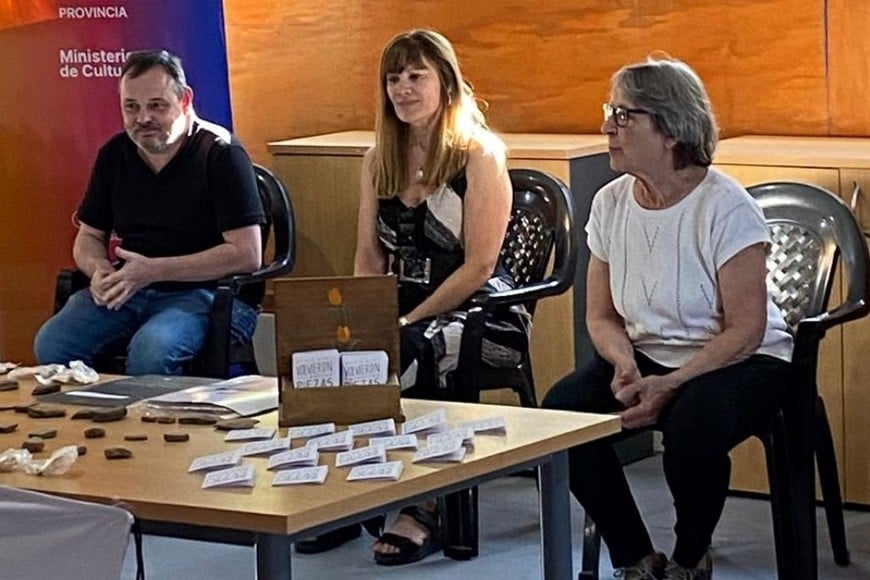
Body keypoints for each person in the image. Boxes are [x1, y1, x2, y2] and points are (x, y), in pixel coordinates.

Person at [541, 56, 793, 580]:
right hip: (650, 356)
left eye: (623, 115)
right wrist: (624, 365)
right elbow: (602, 316)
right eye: (609, 111)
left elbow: (745, 330)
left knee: (691, 425)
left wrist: (672, 383)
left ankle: (688, 557)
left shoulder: (726, 206)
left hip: (744, 360)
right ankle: (636, 559)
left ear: (671, 129)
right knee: (563, 414)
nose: (607, 126)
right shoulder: (610, 203)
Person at [294, 28, 530, 565]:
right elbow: (367, 257)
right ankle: (349, 496)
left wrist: (409, 318)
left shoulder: (478, 154)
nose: (402, 88)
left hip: (480, 309)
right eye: (393, 78)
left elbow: (480, 264)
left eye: (415, 75)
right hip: (403, 300)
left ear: (446, 82)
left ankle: (425, 508)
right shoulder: (380, 158)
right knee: (326, 352)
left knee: (414, 348)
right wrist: (358, 318)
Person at [33, 49, 264, 376]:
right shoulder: (114, 155)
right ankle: (100, 424)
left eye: (157, 106)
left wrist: (154, 270)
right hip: (131, 289)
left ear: (184, 100)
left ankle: (162, 427)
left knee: (151, 352)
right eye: (131, 107)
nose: (143, 119)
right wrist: (98, 269)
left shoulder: (221, 154)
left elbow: (247, 254)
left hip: (209, 294)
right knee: (53, 344)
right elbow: (89, 236)